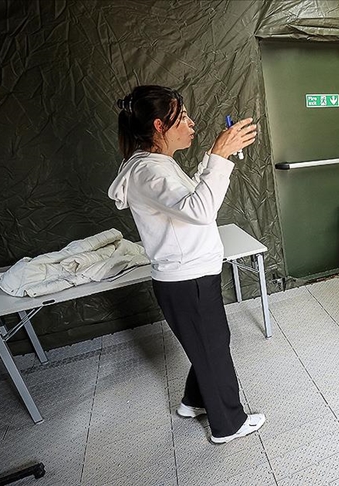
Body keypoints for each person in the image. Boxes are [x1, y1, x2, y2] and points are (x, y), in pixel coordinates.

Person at [107, 85, 264, 444]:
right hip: (186, 278)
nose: (192, 123)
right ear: (160, 126)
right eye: (183, 117)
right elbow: (200, 209)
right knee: (213, 348)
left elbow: (189, 196)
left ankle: (193, 402)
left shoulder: (158, 164)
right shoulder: (149, 172)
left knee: (211, 342)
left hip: (190, 275)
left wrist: (214, 155)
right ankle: (229, 425)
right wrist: (221, 157)